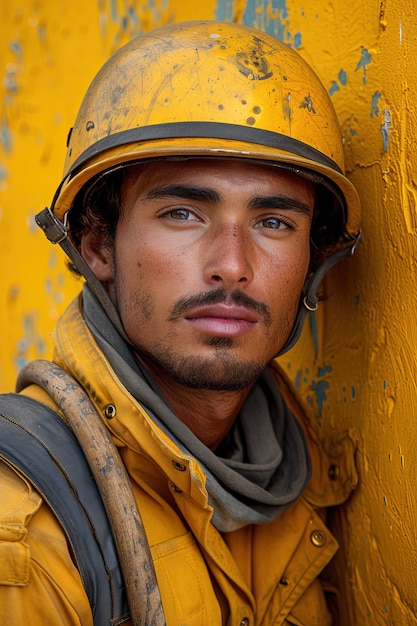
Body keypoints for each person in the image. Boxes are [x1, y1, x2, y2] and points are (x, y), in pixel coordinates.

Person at [0, 20, 361, 626]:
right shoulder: (26, 535)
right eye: (183, 212)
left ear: (312, 264)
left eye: (273, 222)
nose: (231, 267)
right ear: (97, 244)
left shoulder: (302, 484)